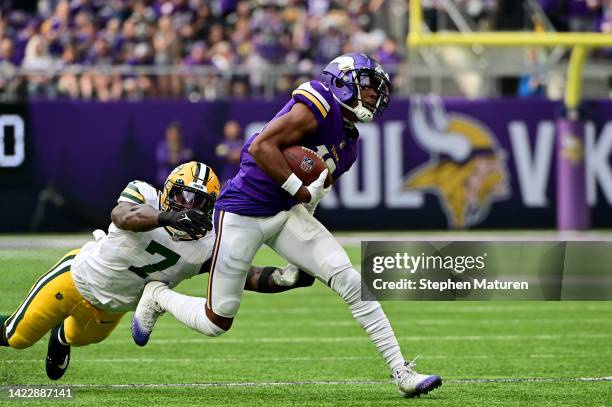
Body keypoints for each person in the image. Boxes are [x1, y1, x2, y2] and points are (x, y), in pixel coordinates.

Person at [133, 53, 442, 397]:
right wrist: (300, 188)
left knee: (350, 279)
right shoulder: (318, 103)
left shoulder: (350, 146)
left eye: (377, 91)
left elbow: (313, 195)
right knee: (216, 321)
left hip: (285, 213)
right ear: (342, 81)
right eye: (369, 87)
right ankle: (157, 296)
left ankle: (401, 372)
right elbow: (260, 146)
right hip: (242, 213)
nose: (374, 96)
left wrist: (306, 235)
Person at [0, 161, 313, 380]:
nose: (188, 207)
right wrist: (167, 218)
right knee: (17, 337)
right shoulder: (143, 195)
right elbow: (121, 216)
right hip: (77, 277)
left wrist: (286, 279)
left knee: (78, 338)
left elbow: (245, 276)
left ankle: (61, 338)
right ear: (167, 191)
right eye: (182, 196)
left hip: (114, 306)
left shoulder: (208, 244)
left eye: (198, 203)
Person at [156, 122, 194, 186]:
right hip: (164, 181)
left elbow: (190, 156)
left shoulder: (184, 146)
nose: (173, 135)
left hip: (181, 182)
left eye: (176, 133)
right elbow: (165, 159)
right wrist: (182, 156)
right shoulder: (162, 147)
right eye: (171, 132)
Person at [214, 120, 244, 186]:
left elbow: (244, 156)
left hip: (240, 180)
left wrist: (232, 153)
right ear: (225, 129)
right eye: (229, 127)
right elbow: (222, 155)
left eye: (233, 127)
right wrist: (236, 154)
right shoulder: (222, 144)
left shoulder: (242, 143)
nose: (231, 130)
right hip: (226, 180)